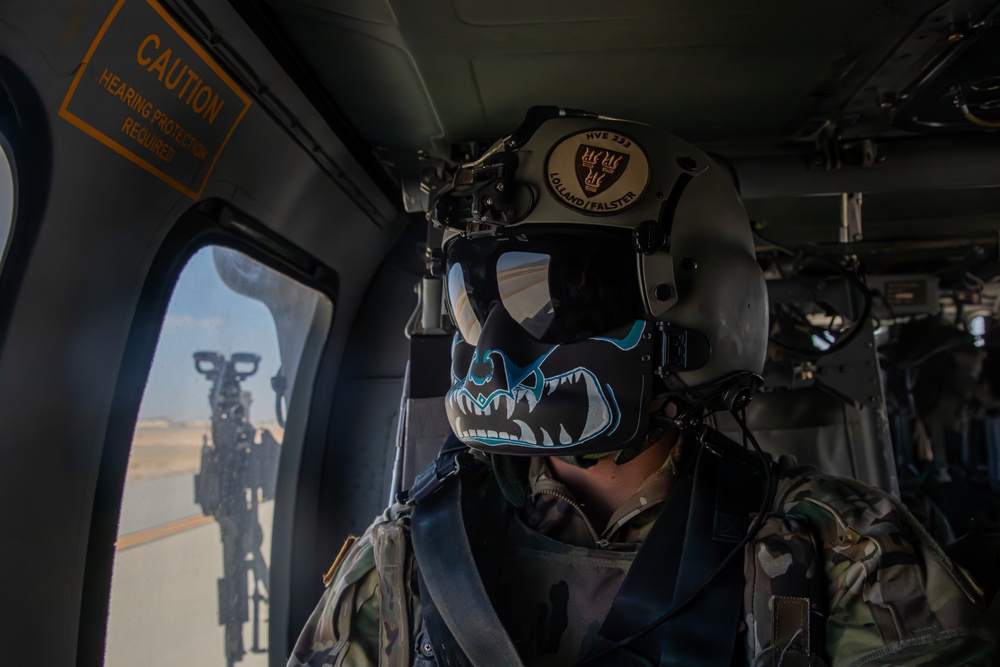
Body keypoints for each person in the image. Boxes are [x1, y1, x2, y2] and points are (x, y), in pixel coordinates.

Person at [288, 108, 998, 666]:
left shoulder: (841, 549)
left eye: (564, 298)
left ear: (695, 315)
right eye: (480, 294)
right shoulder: (410, 552)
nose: (500, 342)